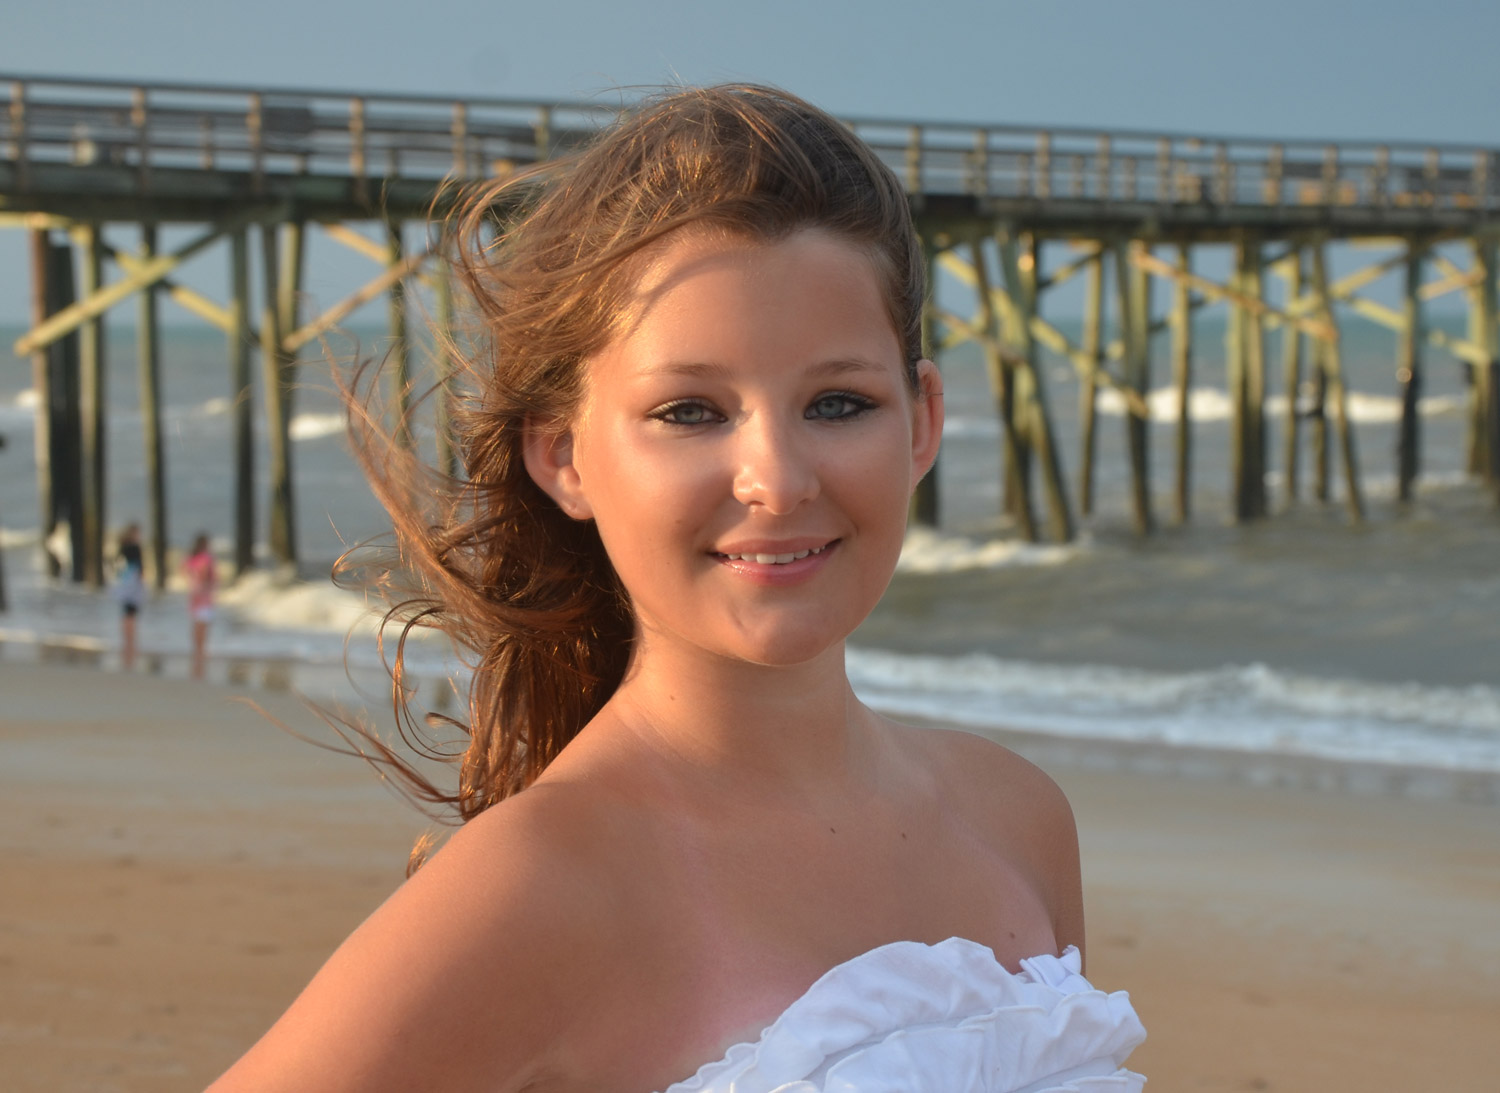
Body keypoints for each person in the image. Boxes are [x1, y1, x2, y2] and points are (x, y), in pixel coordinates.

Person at [209, 85, 1144, 1092]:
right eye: (692, 411)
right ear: (564, 454)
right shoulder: (536, 888)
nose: (778, 479)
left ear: (920, 423)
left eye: (839, 403)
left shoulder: (1018, 818)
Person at [182, 532, 215, 680]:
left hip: (193, 594)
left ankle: (197, 652)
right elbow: (207, 575)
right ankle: (201, 653)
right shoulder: (206, 559)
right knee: (203, 626)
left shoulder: (191, 559)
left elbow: (184, 569)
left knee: (196, 625)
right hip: (204, 596)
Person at [114, 523, 146, 671]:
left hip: (123, 581)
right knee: (132, 612)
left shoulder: (122, 546)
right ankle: (131, 642)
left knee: (125, 612)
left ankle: (125, 641)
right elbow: (140, 567)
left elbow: (116, 565)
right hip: (133, 582)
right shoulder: (135, 547)